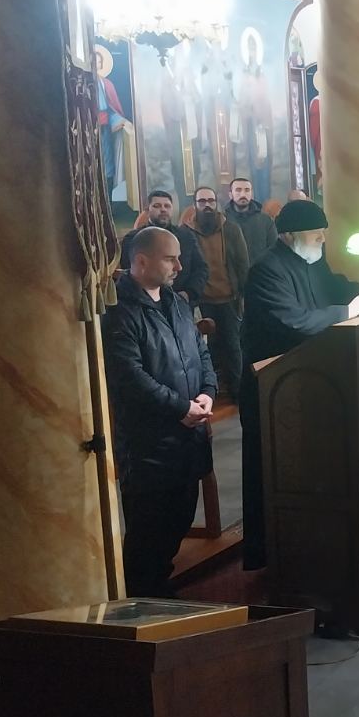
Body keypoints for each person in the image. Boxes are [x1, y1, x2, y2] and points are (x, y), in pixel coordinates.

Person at [239, 198, 359, 569]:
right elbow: (296, 322)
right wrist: (350, 311)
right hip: (272, 389)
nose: (323, 240)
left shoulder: (310, 260)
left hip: (309, 384)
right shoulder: (266, 271)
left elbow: (336, 286)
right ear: (290, 236)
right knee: (272, 473)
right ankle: (273, 556)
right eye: (316, 234)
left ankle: (310, 548)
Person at [102, 226, 217, 598]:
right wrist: (180, 407)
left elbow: (200, 353)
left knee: (178, 519)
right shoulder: (119, 310)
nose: (180, 266)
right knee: (148, 531)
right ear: (140, 261)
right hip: (149, 444)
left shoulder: (177, 302)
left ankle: (159, 589)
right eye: (170, 259)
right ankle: (143, 602)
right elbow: (129, 376)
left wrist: (207, 393)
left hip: (187, 437)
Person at [184, 187, 250, 398]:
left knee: (233, 346)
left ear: (216, 203)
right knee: (204, 350)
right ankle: (209, 393)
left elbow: (242, 263)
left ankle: (238, 392)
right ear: (195, 204)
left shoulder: (231, 229)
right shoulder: (186, 232)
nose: (207, 205)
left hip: (229, 298)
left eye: (211, 201)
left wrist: (243, 293)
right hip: (201, 301)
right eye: (202, 201)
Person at [122, 190, 208, 304]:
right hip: (144, 303)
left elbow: (200, 269)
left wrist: (188, 293)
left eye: (167, 206)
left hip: (181, 301)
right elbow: (128, 272)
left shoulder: (186, 236)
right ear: (147, 210)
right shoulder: (133, 238)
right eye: (157, 206)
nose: (163, 209)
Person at [226, 176, 278, 265]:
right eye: (238, 190)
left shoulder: (265, 221)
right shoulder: (223, 220)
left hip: (260, 270)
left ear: (252, 194)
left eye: (247, 190)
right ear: (230, 194)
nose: (243, 195)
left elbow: (274, 250)